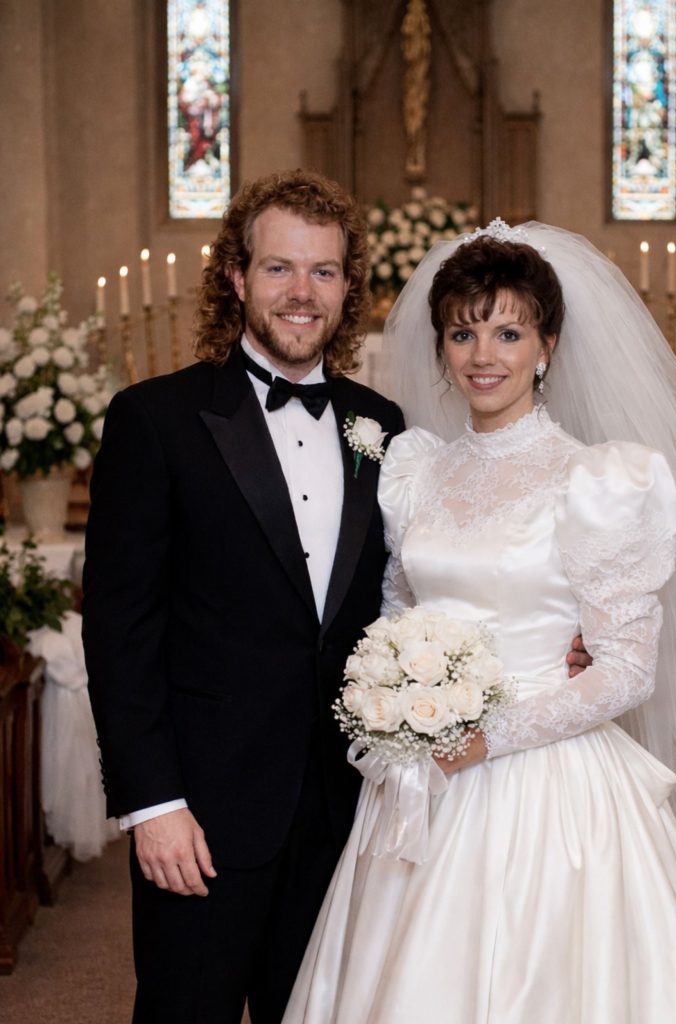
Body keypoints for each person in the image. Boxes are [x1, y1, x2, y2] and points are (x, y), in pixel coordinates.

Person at [283, 223, 676, 1023]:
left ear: (546, 346)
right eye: (462, 333)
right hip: (419, 774)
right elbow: (397, 612)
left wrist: (485, 740)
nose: (482, 355)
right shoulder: (415, 469)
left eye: (507, 332)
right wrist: (393, 699)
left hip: (548, 784)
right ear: (440, 348)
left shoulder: (598, 481)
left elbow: (626, 670)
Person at [82, 169, 407, 1023]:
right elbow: (119, 629)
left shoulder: (381, 426)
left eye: (323, 271)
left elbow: (413, 588)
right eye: (279, 268)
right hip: (203, 812)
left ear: (347, 287)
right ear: (236, 277)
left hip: (344, 810)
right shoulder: (154, 420)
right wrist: (153, 804)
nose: (302, 292)